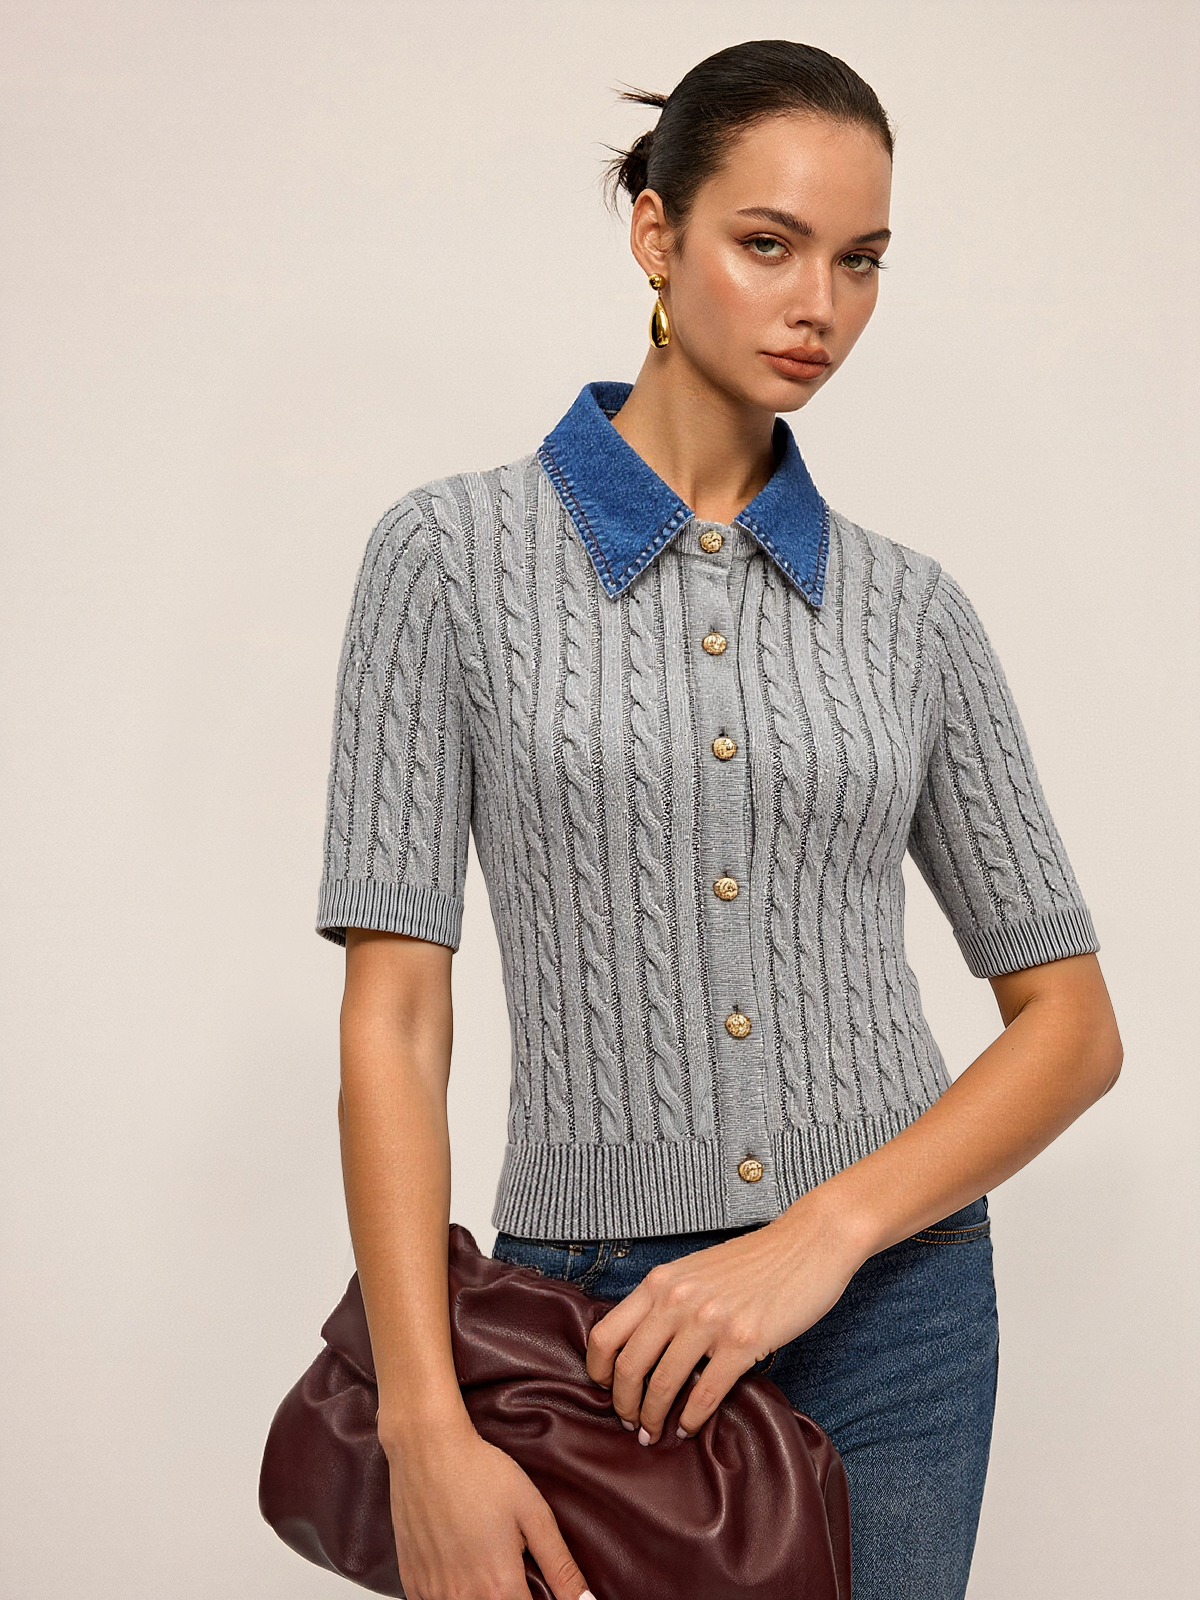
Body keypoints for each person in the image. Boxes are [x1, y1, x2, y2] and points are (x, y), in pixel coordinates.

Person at [318, 37, 1122, 1600]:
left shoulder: (911, 612)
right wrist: (422, 1421)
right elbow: (396, 1020)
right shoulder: (445, 559)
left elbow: (1074, 1028)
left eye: (860, 260)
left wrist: (824, 1235)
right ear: (656, 231)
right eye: (769, 244)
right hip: (589, 1323)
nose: (820, 304)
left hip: (894, 1317)